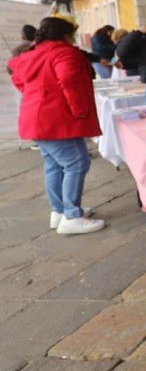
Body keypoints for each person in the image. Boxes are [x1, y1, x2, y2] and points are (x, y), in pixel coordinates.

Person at [8, 16, 106, 234]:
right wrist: (79, 109)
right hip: (56, 120)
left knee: (53, 165)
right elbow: (69, 79)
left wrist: (36, 96)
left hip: (38, 119)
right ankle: (71, 215)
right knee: (77, 163)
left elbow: (17, 77)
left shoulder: (34, 53)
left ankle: (60, 211)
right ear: (65, 35)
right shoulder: (63, 52)